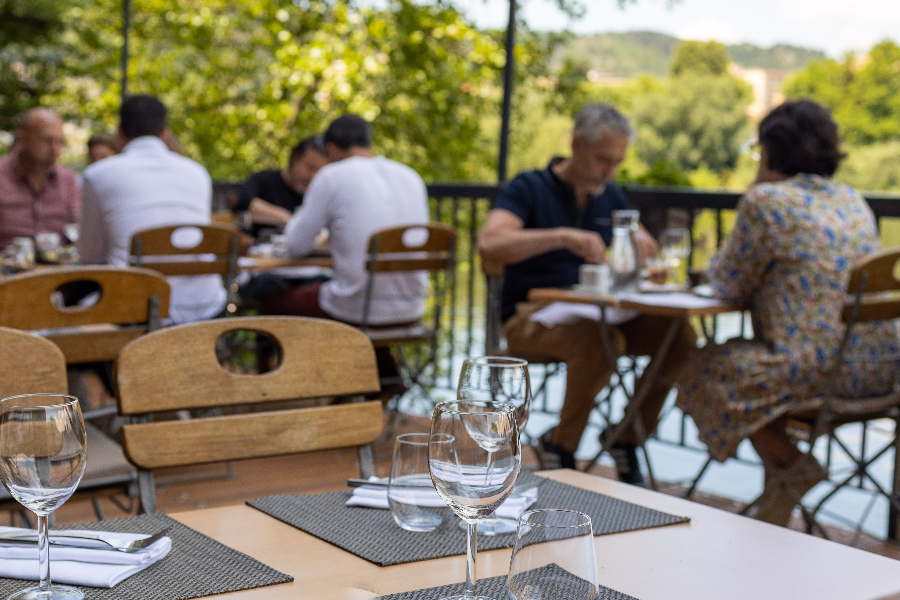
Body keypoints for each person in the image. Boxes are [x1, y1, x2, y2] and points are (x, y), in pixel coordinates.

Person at [677, 99, 899, 526]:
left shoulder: (767, 202)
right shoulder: (852, 200)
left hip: (814, 371)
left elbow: (728, 283)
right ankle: (777, 503)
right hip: (881, 371)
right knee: (746, 361)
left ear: (769, 150)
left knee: (703, 365)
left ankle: (793, 466)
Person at [477, 103, 697, 483]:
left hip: (592, 311)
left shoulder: (608, 195)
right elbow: (490, 244)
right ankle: (561, 446)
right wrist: (562, 237)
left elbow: (640, 237)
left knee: (679, 336)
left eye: (616, 163)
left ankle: (625, 437)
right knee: (600, 341)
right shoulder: (528, 187)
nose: (609, 172)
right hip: (528, 316)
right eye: (602, 160)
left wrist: (642, 243)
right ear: (576, 143)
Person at [261, 114, 429, 389]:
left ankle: (293, 392)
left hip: (360, 311)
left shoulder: (332, 176)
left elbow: (295, 245)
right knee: (349, 296)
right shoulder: (410, 176)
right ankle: (381, 384)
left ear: (332, 149)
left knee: (271, 302)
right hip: (411, 308)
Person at [79, 94, 227, 324]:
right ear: (165, 134)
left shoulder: (97, 175)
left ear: (119, 133)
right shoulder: (198, 173)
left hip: (134, 311)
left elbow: (89, 256)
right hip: (204, 309)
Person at [0, 108, 80, 249]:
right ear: (22, 139)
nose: (55, 149)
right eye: (46, 140)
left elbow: (77, 226)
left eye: (60, 141)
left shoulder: (66, 179)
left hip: (58, 267)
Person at [233, 136, 329, 239]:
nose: (312, 176)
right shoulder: (264, 180)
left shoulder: (320, 192)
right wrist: (287, 218)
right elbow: (240, 200)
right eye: (310, 167)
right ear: (294, 158)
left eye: (319, 172)